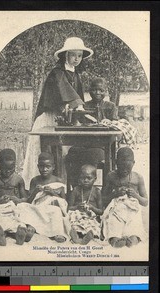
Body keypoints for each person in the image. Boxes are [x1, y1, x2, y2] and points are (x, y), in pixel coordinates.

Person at [22, 37, 94, 190]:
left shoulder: (76, 76)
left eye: (79, 55)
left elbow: (78, 98)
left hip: (64, 120)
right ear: (65, 55)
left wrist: (80, 111)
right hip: (49, 119)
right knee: (46, 154)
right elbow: (64, 94)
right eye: (73, 55)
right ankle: (38, 188)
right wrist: (77, 107)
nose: (76, 59)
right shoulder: (57, 74)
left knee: (63, 155)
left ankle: (62, 189)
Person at [17, 152, 71, 243]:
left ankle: (58, 233)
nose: (44, 169)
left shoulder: (58, 180)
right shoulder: (35, 180)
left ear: (53, 167)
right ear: (38, 167)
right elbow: (29, 201)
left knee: (57, 211)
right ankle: (30, 229)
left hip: (51, 209)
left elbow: (64, 202)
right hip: (38, 207)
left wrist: (52, 192)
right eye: (41, 166)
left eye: (48, 166)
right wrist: (35, 192)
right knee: (22, 206)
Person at [101, 147, 148, 248]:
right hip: (116, 207)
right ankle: (115, 239)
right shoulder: (111, 176)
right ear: (115, 162)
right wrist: (115, 194)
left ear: (133, 163)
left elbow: (145, 202)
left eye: (128, 167)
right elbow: (102, 199)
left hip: (133, 208)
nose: (124, 171)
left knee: (135, 223)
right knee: (113, 223)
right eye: (121, 167)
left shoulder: (138, 178)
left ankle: (133, 238)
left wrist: (136, 195)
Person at [0, 149, 35, 246]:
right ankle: (3, 235)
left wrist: (17, 200)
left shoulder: (18, 179)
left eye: (12, 168)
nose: (8, 172)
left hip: (15, 208)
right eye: (5, 168)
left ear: (15, 165)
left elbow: (25, 200)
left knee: (23, 213)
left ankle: (20, 235)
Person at [68, 164, 103, 245]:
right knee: (73, 224)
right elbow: (69, 208)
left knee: (93, 225)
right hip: (77, 216)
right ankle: (76, 237)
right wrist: (77, 207)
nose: (86, 180)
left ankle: (88, 236)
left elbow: (101, 211)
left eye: (89, 178)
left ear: (95, 179)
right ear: (79, 178)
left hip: (90, 216)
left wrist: (92, 208)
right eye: (83, 178)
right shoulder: (76, 190)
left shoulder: (97, 192)